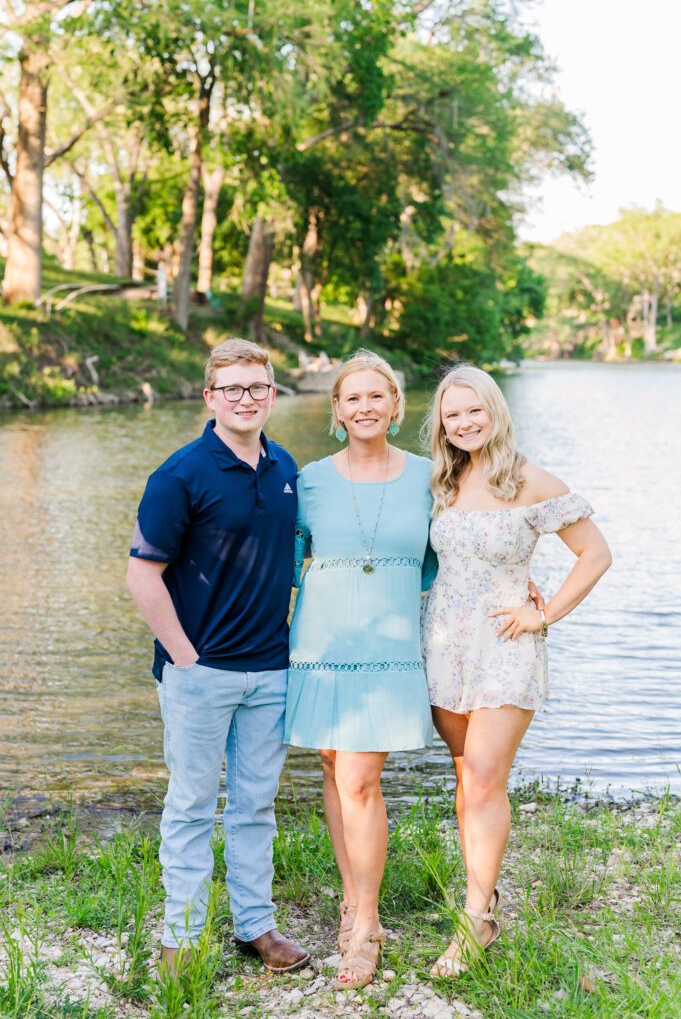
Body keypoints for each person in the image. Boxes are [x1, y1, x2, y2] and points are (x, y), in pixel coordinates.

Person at [420, 364, 612, 977]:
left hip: (506, 641)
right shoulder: (442, 481)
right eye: (453, 414)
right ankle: (485, 891)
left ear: (495, 411)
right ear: (442, 424)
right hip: (446, 644)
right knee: (466, 777)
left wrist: (542, 613)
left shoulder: (528, 479)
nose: (465, 422)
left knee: (482, 776)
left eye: (474, 410)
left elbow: (595, 553)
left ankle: (475, 918)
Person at [126, 338, 310, 977]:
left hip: (271, 671)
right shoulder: (180, 475)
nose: (245, 398)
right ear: (209, 397)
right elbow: (143, 575)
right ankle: (180, 936)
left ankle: (255, 926)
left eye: (256, 387)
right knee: (191, 804)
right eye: (231, 388)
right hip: (199, 673)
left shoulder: (285, 467)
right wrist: (184, 657)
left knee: (257, 804)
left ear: (271, 394)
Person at [284, 350, 434, 991]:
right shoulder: (310, 479)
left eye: (378, 396)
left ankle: (366, 924)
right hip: (318, 642)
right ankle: (351, 901)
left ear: (396, 407)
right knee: (333, 768)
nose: (366, 407)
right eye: (353, 398)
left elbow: (456, 551)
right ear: (337, 411)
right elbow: (288, 561)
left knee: (359, 778)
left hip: (390, 644)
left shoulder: (433, 476)